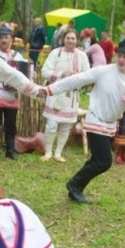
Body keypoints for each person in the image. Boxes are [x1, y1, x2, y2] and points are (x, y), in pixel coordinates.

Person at [41, 38, 125, 204]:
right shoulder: (103, 71)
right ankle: (74, 184)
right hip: (96, 119)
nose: (121, 60)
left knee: (97, 159)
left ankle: (76, 187)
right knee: (104, 161)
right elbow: (76, 80)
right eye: (120, 55)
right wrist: (49, 90)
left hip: (111, 123)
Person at [40, 29, 91, 163]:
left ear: (77, 40)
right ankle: (48, 152)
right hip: (56, 95)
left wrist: (76, 78)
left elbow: (88, 75)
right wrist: (62, 74)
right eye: (68, 38)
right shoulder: (55, 53)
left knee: (65, 126)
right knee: (51, 125)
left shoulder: (82, 56)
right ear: (63, 39)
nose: (70, 41)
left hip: (71, 96)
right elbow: (45, 71)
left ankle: (58, 153)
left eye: (73, 38)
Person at [0, 24, 30, 160]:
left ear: (12, 39)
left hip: (12, 96)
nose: (4, 40)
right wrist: (3, 83)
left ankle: (10, 150)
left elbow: (26, 75)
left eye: (6, 37)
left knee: (10, 124)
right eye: (1, 38)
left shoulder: (19, 57)